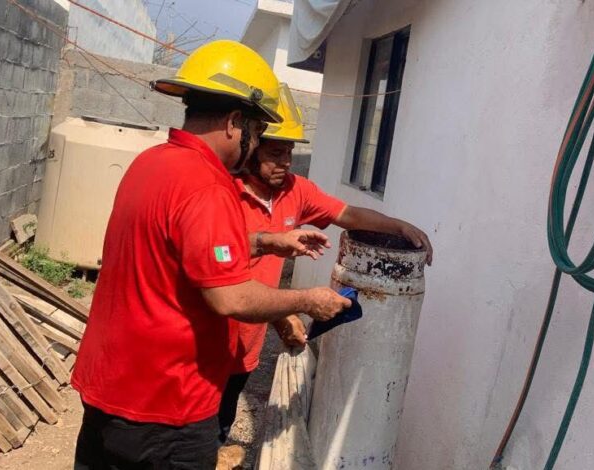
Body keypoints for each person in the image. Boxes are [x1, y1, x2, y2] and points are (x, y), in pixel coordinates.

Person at [70, 40, 350, 469]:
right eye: (257, 134)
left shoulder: (151, 163)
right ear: (236, 122)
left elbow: (173, 251)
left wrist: (264, 242)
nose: (255, 147)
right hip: (167, 408)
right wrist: (307, 300)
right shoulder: (209, 186)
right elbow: (231, 297)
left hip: (109, 390)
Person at [216, 84, 433, 444]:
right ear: (252, 147)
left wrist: (399, 225)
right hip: (211, 340)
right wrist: (286, 311)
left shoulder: (296, 190)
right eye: (275, 152)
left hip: (245, 348)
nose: (285, 162)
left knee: (219, 426)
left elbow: (347, 214)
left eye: (289, 152)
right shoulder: (223, 194)